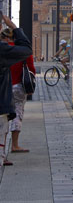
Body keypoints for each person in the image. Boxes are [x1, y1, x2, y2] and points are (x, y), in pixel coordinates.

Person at [0, 15, 32, 167]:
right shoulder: (5, 51)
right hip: (8, 97)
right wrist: (13, 26)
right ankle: (13, 146)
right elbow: (27, 50)